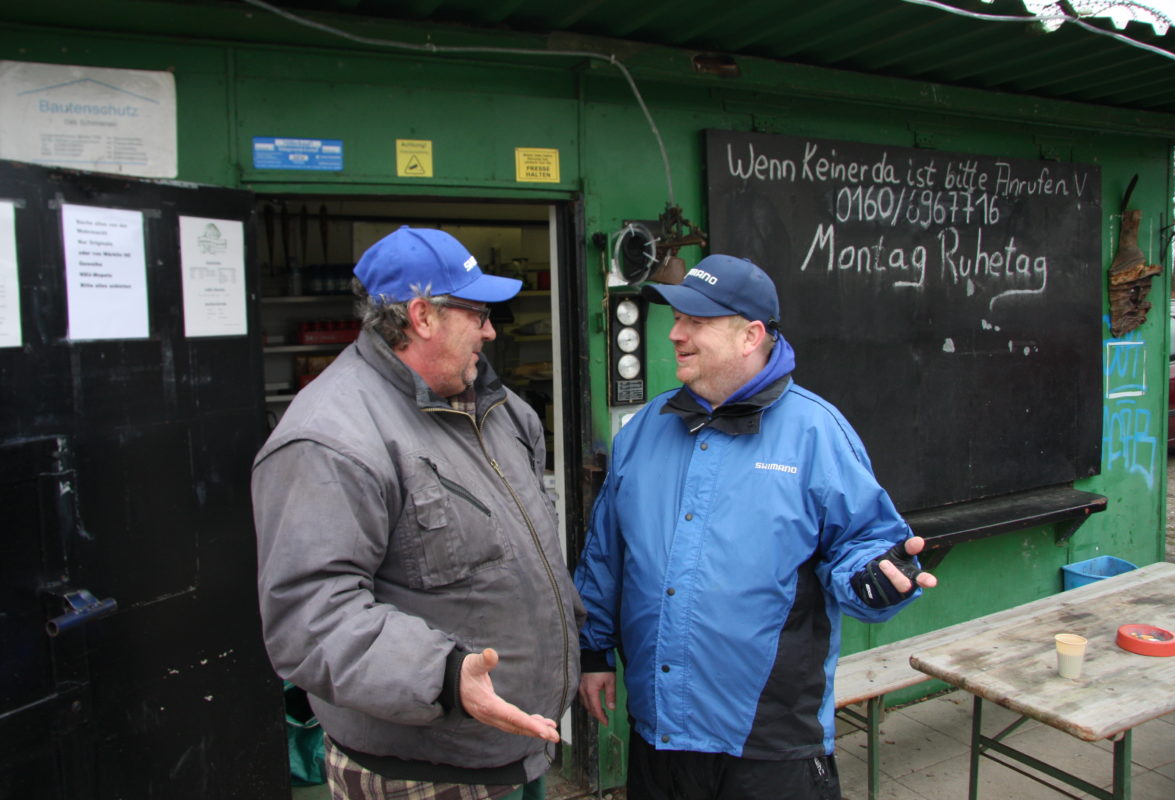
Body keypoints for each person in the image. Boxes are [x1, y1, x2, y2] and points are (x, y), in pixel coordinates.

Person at [573, 254, 938, 800]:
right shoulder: (643, 431)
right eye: (675, 319)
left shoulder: (817, 432)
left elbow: (865, 546)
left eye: (695, 322)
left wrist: (876, 579)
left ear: (751, 335)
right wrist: (593, 652)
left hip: (770, 743)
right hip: (660, 730)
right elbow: (607, 554)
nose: (675, 334)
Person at [252, 225, 583, 800]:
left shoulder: (505, 414)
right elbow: (310, 618)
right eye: (477, 312)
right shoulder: (330, 438)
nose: (490, 329)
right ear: (423, 316)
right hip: (420, 773)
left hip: (520, 748)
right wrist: (448, 677)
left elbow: (535, 558)